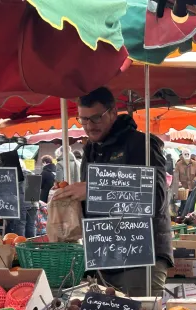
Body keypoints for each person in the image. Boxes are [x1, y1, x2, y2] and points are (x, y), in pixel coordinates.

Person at [51, 87, 173, 296]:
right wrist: (71, 196)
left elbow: (156, 198)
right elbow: (96, 202)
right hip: (103, 253)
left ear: (113, 113)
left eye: (96, 118)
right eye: (83, 120)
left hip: (141, 253)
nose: (89, 126)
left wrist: (93, 190)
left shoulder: (142, 145)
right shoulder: (91, 149)